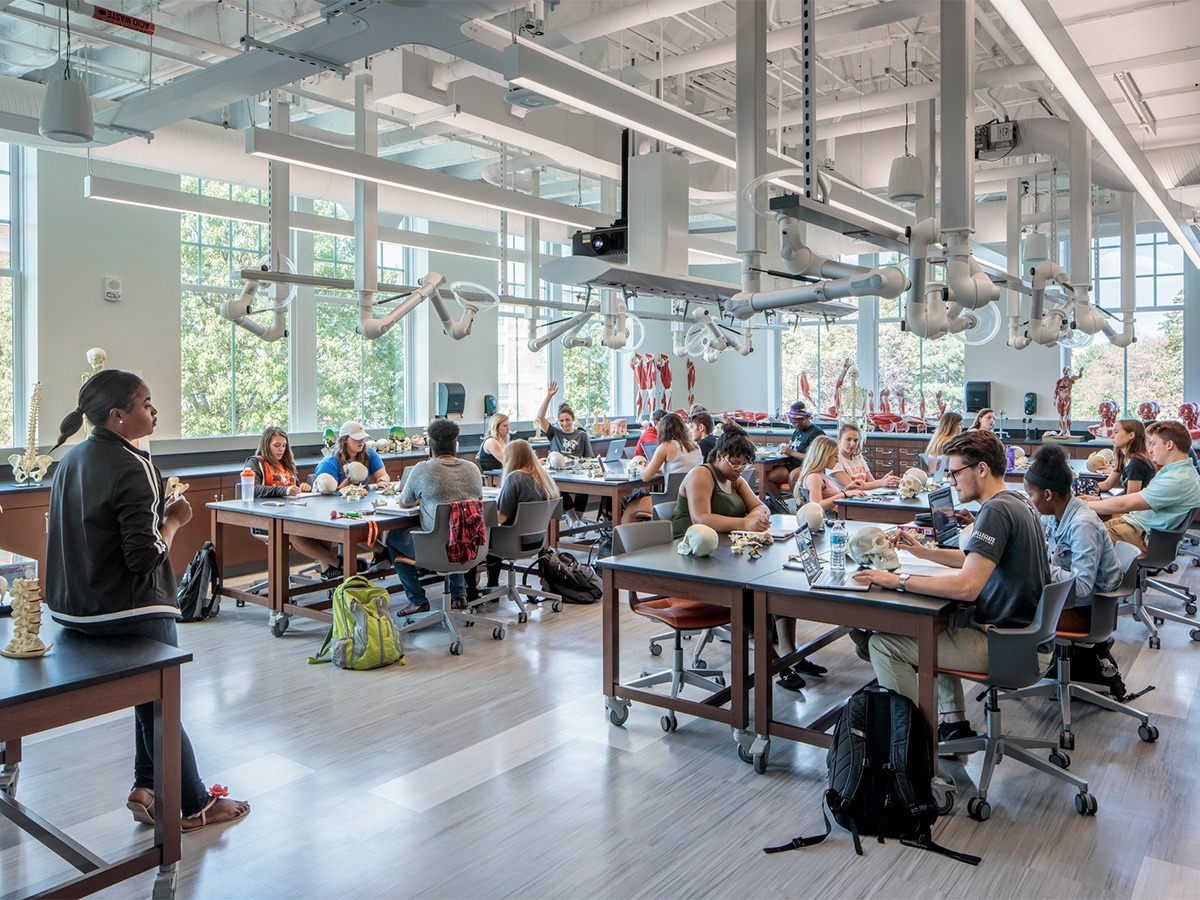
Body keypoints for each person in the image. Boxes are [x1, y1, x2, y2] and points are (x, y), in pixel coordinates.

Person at [44, 369, 250, 833]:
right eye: (145, 403)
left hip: (73, 610)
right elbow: (144, 558)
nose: (153, 411)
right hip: (129, 608)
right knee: (163, 705)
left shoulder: (71, 461)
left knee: (148, 701)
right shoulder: (133, 466)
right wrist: (175, 519)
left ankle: (146, 788)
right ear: (118, 415)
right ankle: (196, 804)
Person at [853, 431, 1051, 748]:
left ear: (981, 469)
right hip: (1024, 636)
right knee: (938, 623)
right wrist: (924, 553)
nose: (951, 481)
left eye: (955, 472)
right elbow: (978, 560)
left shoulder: (995, 512)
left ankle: (910, 746)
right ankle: (954, 723)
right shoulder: (1015, 501)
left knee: (882, 645)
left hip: (1005, 644)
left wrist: (898, 580)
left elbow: (967, 587)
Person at [670, 430, 812, 689]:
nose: (740, 469)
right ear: (720, 455)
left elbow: (761, 505)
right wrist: (746, 521)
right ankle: (772, 662)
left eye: (745, 463)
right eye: (736, 462)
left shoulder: (734, 479)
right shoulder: (701, 474)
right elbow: (701, 518)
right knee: (747, 594)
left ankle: (792, 654)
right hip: (694, 558)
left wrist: (756, 514)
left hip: (725, 552)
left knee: (779, 582)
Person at [386, 418, 483, 613]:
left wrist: (421, 499)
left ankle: (417, 599)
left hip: (436, 550)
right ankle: (459, 594)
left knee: (393, 539)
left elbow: (404, 502)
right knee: (453, 530)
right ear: (456, 444)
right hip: (470, 547)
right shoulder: (473, 469)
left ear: (430, 445)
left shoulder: (422, 469)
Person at [1023, 445, 1123, 633]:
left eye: (1030, 495)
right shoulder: (1055, 514)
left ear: (1047, 495)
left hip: (1086, 612)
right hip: (1071, 603)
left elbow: (1082, 587)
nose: (1029, 500)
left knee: (1011, 614)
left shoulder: (1082, 525)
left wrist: (1039, 568)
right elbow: (1033, 530)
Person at [246, 426, 343, 579]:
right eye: (276, 445)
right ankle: (337, 563)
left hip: (291, 513)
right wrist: (283, 490)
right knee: (291, 530)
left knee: (323, 526)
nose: (281, 450)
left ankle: (327, 568)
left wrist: (302, 488)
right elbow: (253, 489)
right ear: (266, 445)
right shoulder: (255, 463)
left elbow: (294, 488)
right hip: (267, 519)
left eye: (284, 446)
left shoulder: (287, 465)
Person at [1089, 420, 1200, 552]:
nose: (1150, 449)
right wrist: (1095, 502)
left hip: (1142, 534)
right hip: (1136, 524)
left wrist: (1082, 504)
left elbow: (1125, 504)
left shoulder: (1177, 479)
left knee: (1080, 536)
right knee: (1084, 524)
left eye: (1153, 444)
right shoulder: (1173, 472)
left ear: (1169, 445)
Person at [622, 413, 702, 523]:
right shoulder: (695, 447)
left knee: (630, 507)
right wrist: (655, 468)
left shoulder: (666, 446)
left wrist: (640, 467)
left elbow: (646, 477)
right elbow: (679, 469)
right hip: (694, 500)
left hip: (670, 501)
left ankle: (625, 539)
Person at [536, 382, 593, 525]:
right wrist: (549, 396)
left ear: (573, 420)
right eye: (561, 420)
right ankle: (574, 519)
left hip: (577, 472)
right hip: (558, 473)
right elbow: (540, 417)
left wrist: (577, 460)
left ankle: (577, 520)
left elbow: (588, 458)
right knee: (558, 489)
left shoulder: (582, 435)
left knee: (583, 489)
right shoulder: (555, 433)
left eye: (567, 420)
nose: (564, 423)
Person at [764, 401, 823, 499]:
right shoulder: (798, 431)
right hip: (792, 464)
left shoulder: (816, 434)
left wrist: (790, 452)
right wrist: (784, 448)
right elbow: (790, 445)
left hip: (807, 467)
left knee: (793, 476)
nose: (793, 426)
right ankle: (781, 504)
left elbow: (813, 458)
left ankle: (798, 504)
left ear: (803, 420)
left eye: (795, 423)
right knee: (766, 476)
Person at [315, 420, 392, 488]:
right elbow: (331, 495)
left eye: (362, 438)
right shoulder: (328, 463)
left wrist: (382, 481)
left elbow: (383, 475)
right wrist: (350, 479)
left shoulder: (369, 454)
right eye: (357, 438)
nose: (361, 441)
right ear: (345, 440)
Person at [794, 436, 864, 510]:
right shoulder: (814, 477)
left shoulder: (821, 474)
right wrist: (844, 494)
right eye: (835, 456)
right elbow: (817, 506)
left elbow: (830, 497)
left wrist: (848, 490)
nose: (837, 460)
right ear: (825, 456)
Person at [1090, 419, 1154, 495]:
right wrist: (1082, 488)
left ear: (1131, 435)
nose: (1111, 436)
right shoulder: (1123, 457)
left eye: (1116, 432)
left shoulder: (1136, 463)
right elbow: (1107, 484)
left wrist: (1097, 501)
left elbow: (1131, 498)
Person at [829, 423, 900, 490]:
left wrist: (884, 481)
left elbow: (871, 482)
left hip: (863, 497)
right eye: (848, 439)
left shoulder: (858, 457)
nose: (852, 444)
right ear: (839, 438)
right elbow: (853, 486)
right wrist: (881, 482)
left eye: (856, 440)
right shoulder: (835, 459)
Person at [1054, 366, 1083, 436]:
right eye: (1064, 370)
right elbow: (1056, 390)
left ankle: (1068, 431)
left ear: (1069, 371)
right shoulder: (1060, 381)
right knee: (1060, 415)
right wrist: (1055, 399)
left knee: (1066, 415)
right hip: (1060, 398)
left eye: (1067, 370)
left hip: (1067, 398)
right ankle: (1061, 431)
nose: (1065, 372)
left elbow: (1079, 377)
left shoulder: (1071, 379)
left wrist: (1080, 372)